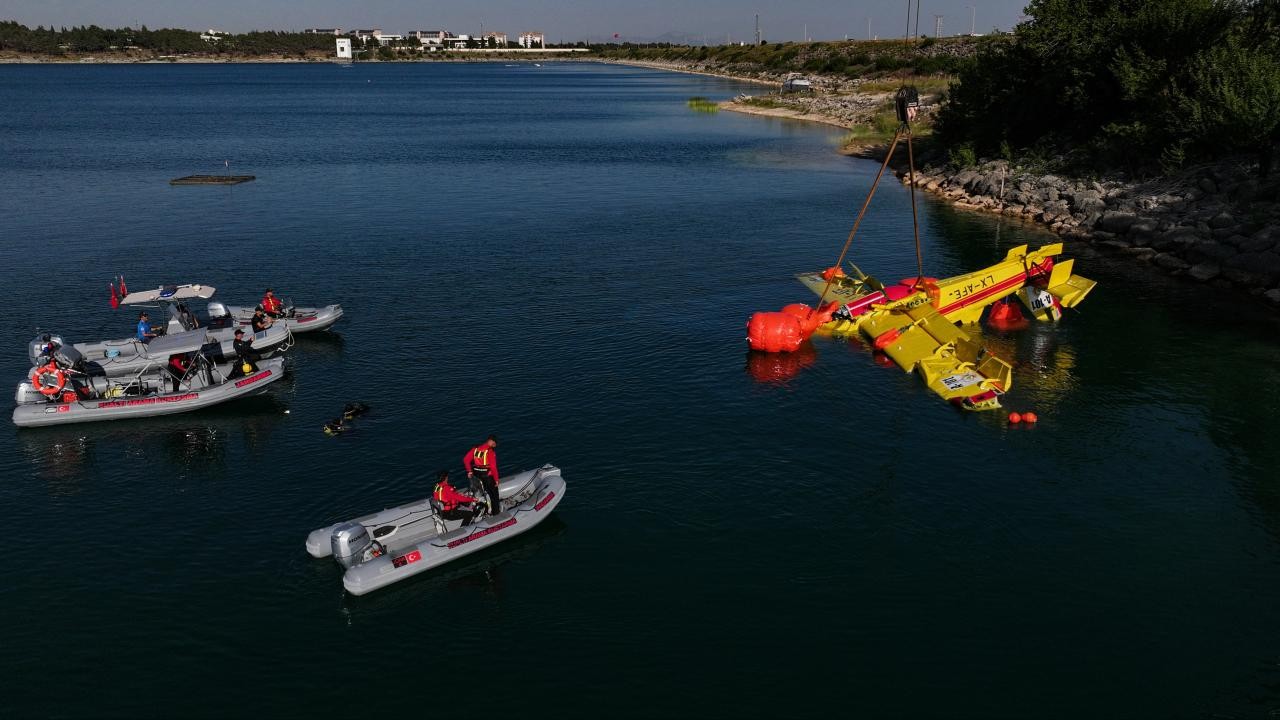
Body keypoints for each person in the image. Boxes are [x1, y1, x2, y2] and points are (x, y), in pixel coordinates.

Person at [464, 435, 500, 516]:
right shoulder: (490, 451)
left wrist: (469, 471)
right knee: (494, 495)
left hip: (477, 476)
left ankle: (481, 507)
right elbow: (493, 468)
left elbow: (466, 460)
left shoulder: (475, 449)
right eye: (495, 443)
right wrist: (496, 480)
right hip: (487, 477)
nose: (495, 445)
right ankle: (496, 514)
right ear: (491, 441)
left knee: (481, 492)